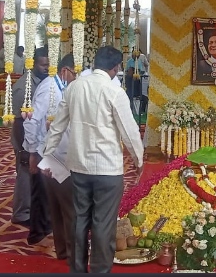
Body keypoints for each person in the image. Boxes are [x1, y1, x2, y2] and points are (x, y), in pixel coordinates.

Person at [44, 46, 144, 273]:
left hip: (78, 168)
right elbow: (129, 133)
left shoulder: (74, 88)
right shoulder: (114, 92)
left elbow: (57, 126)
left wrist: (47, 157)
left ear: (94, 63)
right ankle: (99, 271)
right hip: (108, 171)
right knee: (103, 223)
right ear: (115, 68)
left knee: (79, 220)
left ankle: (78, 270)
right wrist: (138, 161)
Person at [23, 53, 77, 259]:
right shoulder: (50, 87)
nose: (77, 78)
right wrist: (33, 153)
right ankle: (69, 251)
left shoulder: (66, 87)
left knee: (57, 204)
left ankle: (63, 249)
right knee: (65, 204)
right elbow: (31, 121)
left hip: (63, 153)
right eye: (75, 73)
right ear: (65, 71)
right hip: (51, 153)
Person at [9, 47, 50, 227]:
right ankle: (21, 213)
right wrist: (22, 149)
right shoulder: (22, 87)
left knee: (37, 175)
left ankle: (34, 210)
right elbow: (19, 122)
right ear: (33, 64)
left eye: (49, 64)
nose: (47, 68)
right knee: (25, 174)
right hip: (23, 138)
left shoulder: (46, 82)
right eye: (43, 65)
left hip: (38, 138)